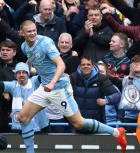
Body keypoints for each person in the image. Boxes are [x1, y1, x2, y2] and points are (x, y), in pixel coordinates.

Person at [18, 20, 127, 153]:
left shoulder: (45, 43)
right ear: (21, 32)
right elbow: (32, 57)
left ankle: (117, 132)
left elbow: (61, 65)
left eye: (34, 30)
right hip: (44, 87)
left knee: (79, 123)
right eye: (29, 31)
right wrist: (27, 68)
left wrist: (52, 83)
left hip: (59, 88)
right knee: (22, 117)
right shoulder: (24, 46)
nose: (33, 33)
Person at [0, 61, 49, 151]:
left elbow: (44, 76)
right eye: (18, 73)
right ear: (15, 75)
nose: (21, 75)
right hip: (21, 124)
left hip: (39, 124)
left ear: (28, 74)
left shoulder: (34, 81)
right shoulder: (12, 85)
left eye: (24, 72)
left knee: (43, 148)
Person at [70, 56, 121, 127]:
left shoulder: (101, 78)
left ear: (93, 66)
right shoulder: (73, 77)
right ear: (80, 66)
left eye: (88, 64)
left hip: (97, 123)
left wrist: (106, 100)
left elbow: (117, 95)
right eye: (83, 64)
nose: (86, 66)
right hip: (77, 122)